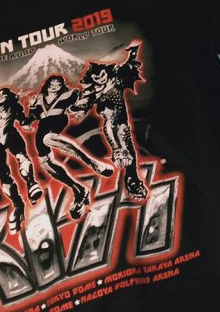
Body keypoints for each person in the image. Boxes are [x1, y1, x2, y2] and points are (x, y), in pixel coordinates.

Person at [28, 75, 115, 219]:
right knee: (47, 164)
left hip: (56, 122)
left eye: (58, 84)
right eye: (52, 84)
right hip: (42, 129)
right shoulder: (39, 99)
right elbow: (33, 117)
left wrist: (82, 108)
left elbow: (81, 101)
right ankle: (79, 190)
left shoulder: (68, 95)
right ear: (47, 85)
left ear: (62, 86)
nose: (54, 86)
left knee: (49, 139)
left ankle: (94, 163)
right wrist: (31, 109)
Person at [71, 41, 149, 201]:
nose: (100, 79)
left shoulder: (116, 80)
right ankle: (118, 151)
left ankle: (132, 179)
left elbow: (128, 65)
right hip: (110, 117)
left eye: (102, 75)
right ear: (92, 78)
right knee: (112, 124)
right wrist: (81, 110)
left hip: (123, 119)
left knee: (128, 143)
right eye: (96, 77)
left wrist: (133, 52)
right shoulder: (93, 91)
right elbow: (84, 103)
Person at [0, 87, 42, 233]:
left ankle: (31, 183)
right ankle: (18, 204)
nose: (0, 96)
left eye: (4, 94)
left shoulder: (14, 107)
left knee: (22, 158)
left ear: (8, 97)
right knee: (3, 176)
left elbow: (23, 121)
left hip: (12, 136)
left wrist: (33, 108)